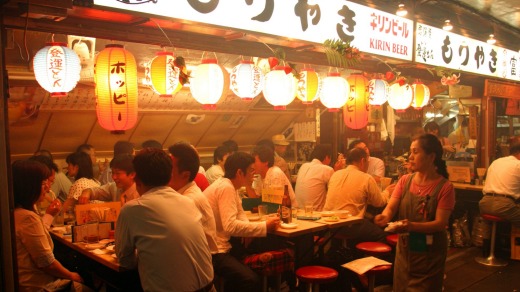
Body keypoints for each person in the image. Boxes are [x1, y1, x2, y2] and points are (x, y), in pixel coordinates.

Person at [116, 148, 214, 292]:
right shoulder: (187, 202)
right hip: (210, 286)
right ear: (169, 176)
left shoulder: (132, 210)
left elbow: (125, 260)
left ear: (136, 178)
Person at [375, 133, 455, 291]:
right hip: (405, 250)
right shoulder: (405, 180)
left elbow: (440, 224)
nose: (410, 157)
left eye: (415, 152)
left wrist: (411, 226)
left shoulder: (445, 187)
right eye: (410, 152)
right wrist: (384, 216)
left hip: (430, 253)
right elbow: (391, 207)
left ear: (431, 157)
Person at [203, 152, 280, 291]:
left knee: (266, 246)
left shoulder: (230, 186)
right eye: (251, 170)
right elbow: (230, 226)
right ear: (239, 172)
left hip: (223, 243)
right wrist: (264, 227)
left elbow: (240, 213)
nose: (254, 173)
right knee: (250, 279)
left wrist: (250, 231)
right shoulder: (225, 188)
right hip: (215, 251)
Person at [13, 159, 86, 291]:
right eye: (43, 183)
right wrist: (71, 275)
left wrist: (49, 215)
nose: (48, 187)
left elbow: (37, 238)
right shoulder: (27, 217)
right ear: (28, 186)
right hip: (39, 287)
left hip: (24, 283)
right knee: (84, 284)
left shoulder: (18, 212)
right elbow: (47, 263)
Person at [324, 148, 393, 244]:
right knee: (384, 236)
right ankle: (364, 257)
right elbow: (379, 202)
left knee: (367, 221)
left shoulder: (335, 175)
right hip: (349, 225)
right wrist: (387, 192)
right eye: (367, 162)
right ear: (362, 161)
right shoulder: (366, 178)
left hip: (330, 224)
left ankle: (352, 253)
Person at [168, 142, 218, 254]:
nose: (164, 172)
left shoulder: (189, 200)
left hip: (206, 260)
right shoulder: (181, 193)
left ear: (185, 175)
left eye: (169, 169)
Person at [479, 136, 520, 227]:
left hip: (484, 204)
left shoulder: (496, 162)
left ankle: (489, 240)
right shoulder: (518, 165)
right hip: (504, 206)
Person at [295, 144, 344, 211]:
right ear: (327, 157)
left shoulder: (303, 166)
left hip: (298, 212)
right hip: (316, 214)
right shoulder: (327, 169)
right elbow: (335, 191)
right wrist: (337, 172)